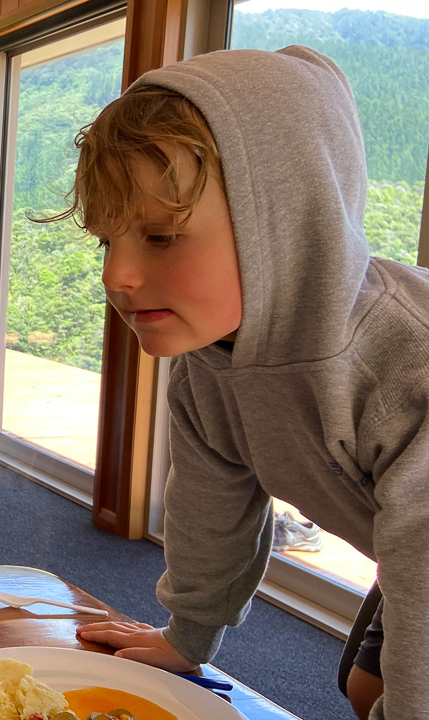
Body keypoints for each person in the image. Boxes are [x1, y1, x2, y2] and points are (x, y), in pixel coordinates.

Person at [49, 46, 426, 719]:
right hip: (407, 549)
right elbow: (210, 509)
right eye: (107, 242)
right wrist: (186, 639)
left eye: (161, 235)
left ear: (289, 226)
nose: (116, 276)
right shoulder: (203, 374)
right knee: (365, 686)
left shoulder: (404, 367)